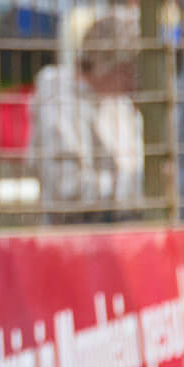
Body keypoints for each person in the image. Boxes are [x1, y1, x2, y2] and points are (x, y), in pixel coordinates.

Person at [29, 12, 145, 224]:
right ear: (111, 67)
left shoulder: (119, 101)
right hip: (75, 234)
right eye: (129, 71)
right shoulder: (58, 98)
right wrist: (134, 186)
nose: (134, 82)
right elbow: (64, 188)